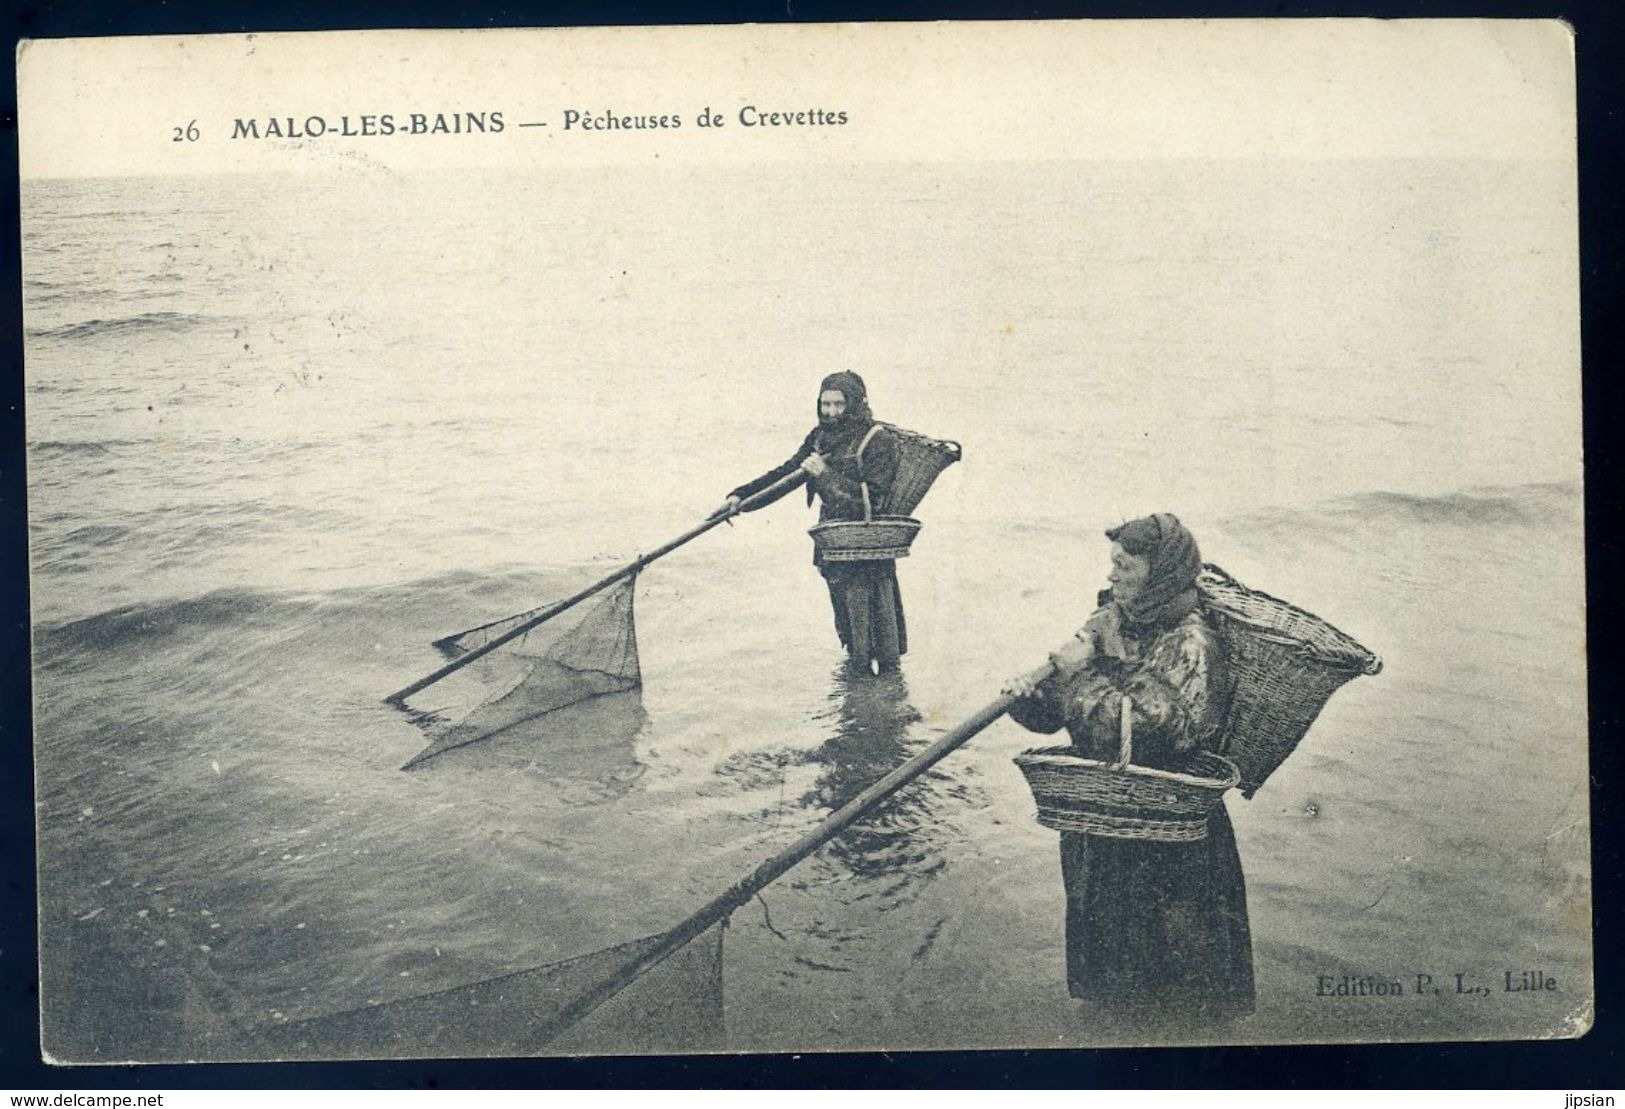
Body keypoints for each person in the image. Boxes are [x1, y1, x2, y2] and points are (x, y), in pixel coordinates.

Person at [1003, 512, 1255, 1031]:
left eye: (1125, 565)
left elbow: (1146, 732)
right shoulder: (1113, 623)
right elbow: (1058, 714)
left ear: (1159, 572)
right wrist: (1030, 697)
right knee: (1113, 972)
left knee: (1176, 978)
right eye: (1111, 564)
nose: (1112, 576)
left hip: (1169, 826)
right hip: (1106, 816)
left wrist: (1077, 678)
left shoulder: (1192, 643)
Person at [714, 371, 907, 674]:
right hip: (833, 547)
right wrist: (740, 498)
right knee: (848, 631)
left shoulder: (878, 441)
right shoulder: (820, 437)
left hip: (869, 552)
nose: (831, 412)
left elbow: (875, 502)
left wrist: (825, 476)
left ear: (855, 403)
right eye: (825, 404)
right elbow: (786, 474)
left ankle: (880, 701)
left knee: (879, 641)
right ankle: (858, 700)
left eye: (839, 404)